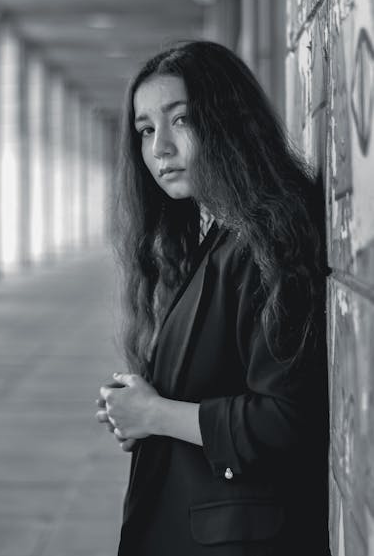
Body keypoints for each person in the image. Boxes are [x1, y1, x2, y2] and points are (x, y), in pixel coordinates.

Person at [95, 41, 331, 555]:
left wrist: (156, 414)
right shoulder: (219, 235)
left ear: (229, 123)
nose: (159, 149)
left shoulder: (271, 240)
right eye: (146, 130)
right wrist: (139, 406)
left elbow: (288, 419)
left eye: (181, 121)